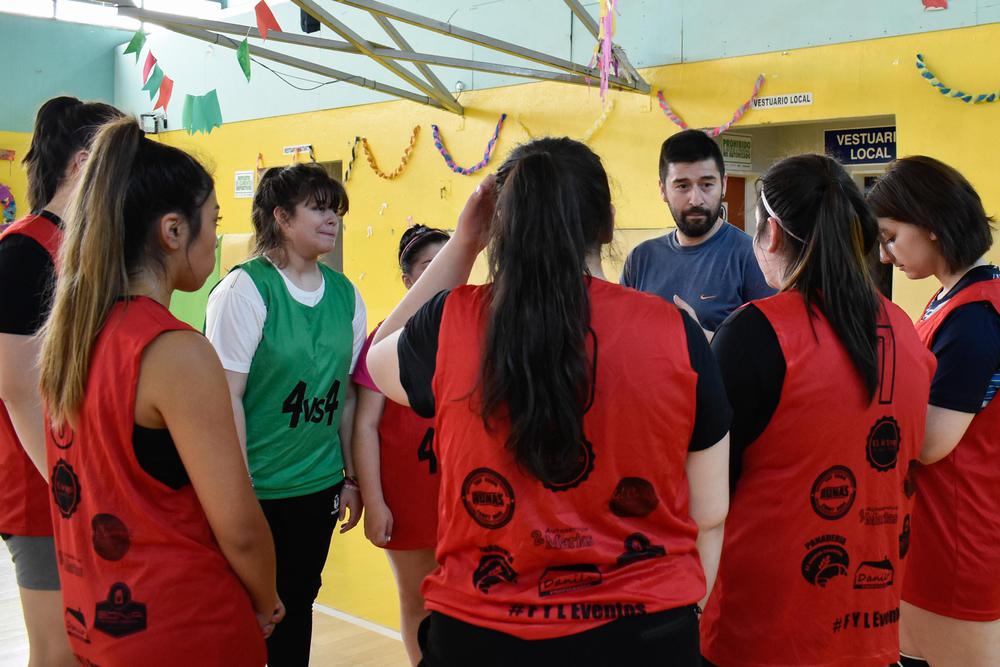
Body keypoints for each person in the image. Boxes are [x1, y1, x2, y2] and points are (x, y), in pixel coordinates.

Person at [366, 138, 731, 666]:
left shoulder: (453, 322)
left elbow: (378, 358)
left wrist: (466, 240)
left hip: (481, 634)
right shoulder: (675, 330)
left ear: (500, 224)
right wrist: (686, 614)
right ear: (605, 226)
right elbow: (710, 512)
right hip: (645, 632)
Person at [36, 117, 281, 665]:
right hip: (184, 628)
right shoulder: (175, 353)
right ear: (173, 231)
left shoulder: (70, 338)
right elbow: (240, 527)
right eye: (213, 222)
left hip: (94, 623)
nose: (217, 239)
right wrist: (266, 600)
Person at [699, 154, 936, 667]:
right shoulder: (906, 330)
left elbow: (708, 489)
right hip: (871, 626)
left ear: (773, 234)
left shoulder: (755, 333)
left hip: (764, 630)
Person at [205, 162, 366, 666]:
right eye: (318, 208)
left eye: (334, 210)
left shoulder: (346, 295)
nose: (332, 220)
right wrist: (238, 490)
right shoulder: (245, 290)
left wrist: (353, 478)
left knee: (297, 608)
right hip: (256, 492)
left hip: (317, 487)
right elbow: (224, 397)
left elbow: (348, 397)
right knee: (250, 616)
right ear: (280, 216)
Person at [0, 96, 121, 667]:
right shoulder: (24, 251)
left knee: (90, 643)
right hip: (42, 482)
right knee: (59, 651)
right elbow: (20, 391)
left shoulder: (88, 254)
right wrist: (69, 487)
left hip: (83, 475)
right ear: (80, 166)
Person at [867, 155, 1000, 667]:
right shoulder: (949, 300)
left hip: (959, 538)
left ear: (933, 226)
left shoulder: (973, 319)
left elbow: (930, 441)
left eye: (892, 236)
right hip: (929, 529)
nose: (885, 254)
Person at [352, 224, 449, 666]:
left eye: (447, 264)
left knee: (461, 596)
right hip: (407, 492)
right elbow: (366, 425)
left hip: (456, 491)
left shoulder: (467, 328)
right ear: (409, 279)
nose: (441, 274)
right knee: (417, 599)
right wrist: (375, 502)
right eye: (430, 267)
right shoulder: (385, 338)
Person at [620, 129, 773, 338]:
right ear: (662, 189)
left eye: (707, 185)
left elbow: (769, 352)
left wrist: (698, 338)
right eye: (682, 186)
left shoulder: (753, 257)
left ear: (724, 184)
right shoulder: (640, 260)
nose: (696, 199)